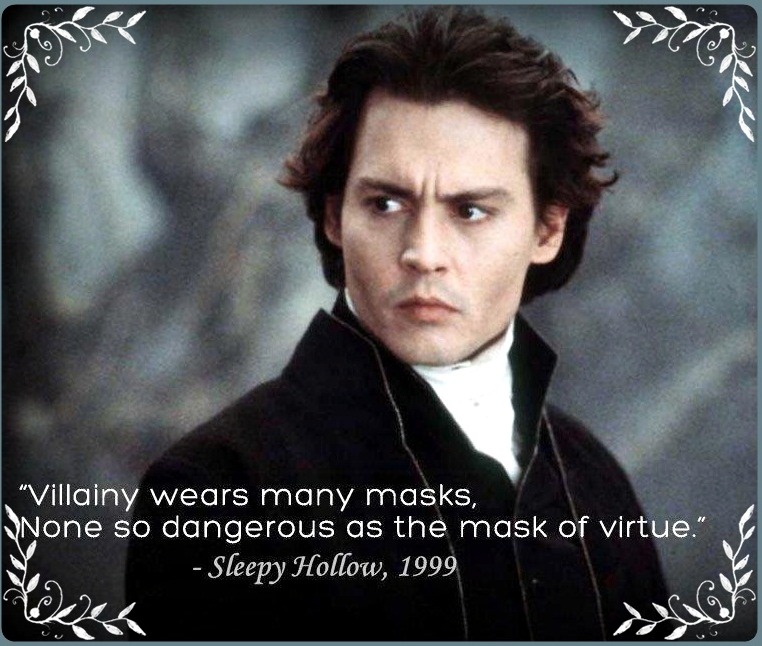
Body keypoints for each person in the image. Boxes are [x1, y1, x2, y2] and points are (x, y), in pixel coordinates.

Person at [126, 7, 667, 640]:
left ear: (547, 230)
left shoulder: (593, 481)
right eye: (385, 203)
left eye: (470, 211)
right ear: (334, 218)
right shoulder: (216, 490)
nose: (423, 252)